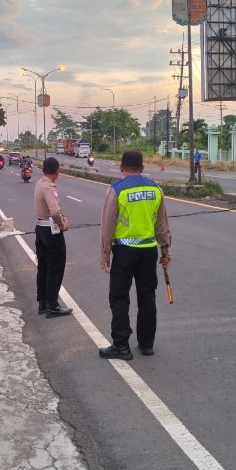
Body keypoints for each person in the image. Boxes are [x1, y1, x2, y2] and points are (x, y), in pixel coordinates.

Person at [98, 150, 171, 360]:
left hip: (124, 251)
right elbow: (162, 224)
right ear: (142, 168)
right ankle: (146, 343)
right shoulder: (156, 189)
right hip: (149, 250)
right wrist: (165, 250)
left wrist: (104, 255)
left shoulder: (117, 190)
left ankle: (121, 346)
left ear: (121, 168)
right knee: (147, 296)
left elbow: (107, 226)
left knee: (119, 297)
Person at [34, 157, 72, 318]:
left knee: (43, 267)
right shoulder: (49, 187)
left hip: (40, 228)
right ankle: (52, 305)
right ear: (57, 171)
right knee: (55, 268)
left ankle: (42, 302)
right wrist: (62, 224)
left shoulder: (39, 183)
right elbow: (55, 211)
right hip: (51, 232)